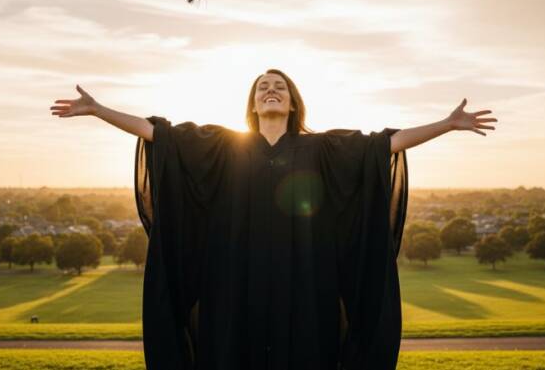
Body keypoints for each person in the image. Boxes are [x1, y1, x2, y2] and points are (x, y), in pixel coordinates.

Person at [50, 69, 497, 370]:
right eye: (263, 85)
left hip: (305, 293)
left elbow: (386, 145)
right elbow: (157, 133)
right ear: (252, 103)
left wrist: (445, 123)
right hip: (233, 293)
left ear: (293, 102)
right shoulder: (222, 146)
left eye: (279, 86)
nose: (270, 90)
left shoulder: (321, 149)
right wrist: (99, 110)